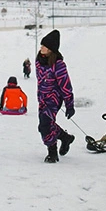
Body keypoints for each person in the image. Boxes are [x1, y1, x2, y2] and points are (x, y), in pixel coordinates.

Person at [36, 30, 75, 163]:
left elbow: (66, 85)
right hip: (42, 99)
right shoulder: (39, 61)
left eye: (44, 46)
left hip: (54, 99)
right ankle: (65, 137)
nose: (41, 48)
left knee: (45, 126)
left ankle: (52, 152)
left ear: (51, 49)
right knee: (45, 124)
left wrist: (69, 105)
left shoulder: (58, 65)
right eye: (41, 46)